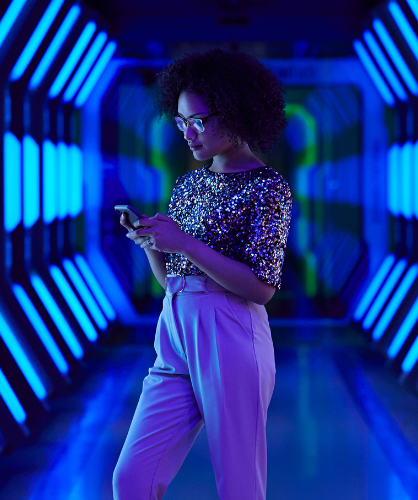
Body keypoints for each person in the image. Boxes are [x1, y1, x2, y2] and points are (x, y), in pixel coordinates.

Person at [112, 48, 292, 500]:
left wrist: (186, 243)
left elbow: (261, 288)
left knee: (239, 487)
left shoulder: (268, 188)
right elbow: (172, 279)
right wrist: (152, 242)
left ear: (234, 113)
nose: (187, 133)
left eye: (197, 121)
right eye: (180, 122)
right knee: (131, 479)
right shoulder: (189, 184)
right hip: (174, 325)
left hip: (231, 331)